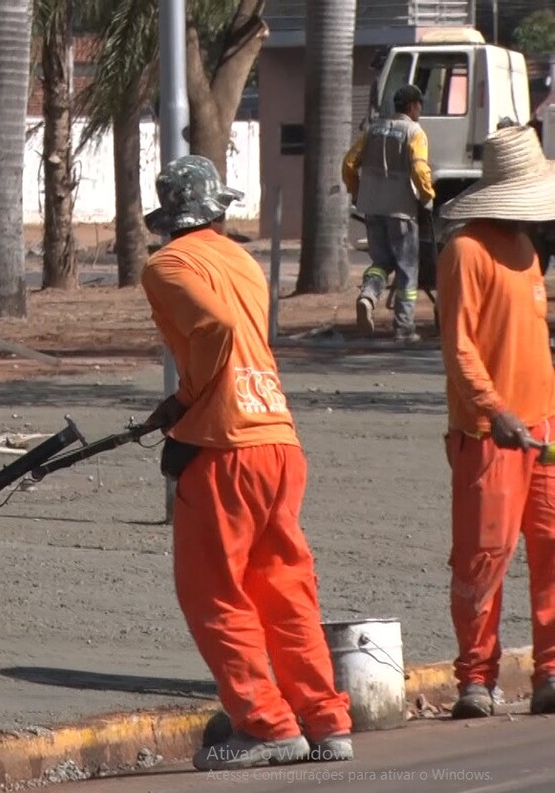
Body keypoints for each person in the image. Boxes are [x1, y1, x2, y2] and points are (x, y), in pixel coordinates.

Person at [140, 155, 354, 771]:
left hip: (225, 446)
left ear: (169, 217)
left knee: (214, 592)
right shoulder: (241, 260)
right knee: (284, 586)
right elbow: (239, 338)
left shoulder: (168, 264)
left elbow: (216, 330)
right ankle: (324, 720)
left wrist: (182, 406)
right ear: (217, 210)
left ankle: (264, 724)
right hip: (278, 437)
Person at [434, 124, 555, 718]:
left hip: (544, 429)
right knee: (484, 558)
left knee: (553, 550)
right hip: (489, 434)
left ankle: (551, 672)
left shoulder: (528, 252)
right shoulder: (465, 251)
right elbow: (459, 349)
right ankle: (475, 679)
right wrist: (497, 411)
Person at [342, 84, 436, 343]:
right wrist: (428, 197)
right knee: (407, 269)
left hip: (373, 209)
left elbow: (349, 163)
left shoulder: (373, 130)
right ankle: (404, 327)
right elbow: (419, 170)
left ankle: (368, 297)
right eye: (419, 104)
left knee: (381, 263)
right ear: (412, 106)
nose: (421, 109)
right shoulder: (414, 132)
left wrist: (357, 191)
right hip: (402, 211)